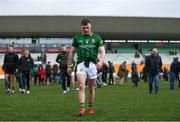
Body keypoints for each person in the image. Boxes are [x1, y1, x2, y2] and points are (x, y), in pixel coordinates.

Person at [67, 19, 105, 116]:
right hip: (81, 64)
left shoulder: (97, 38)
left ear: (90, 26)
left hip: (93, 65)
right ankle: (82, 108)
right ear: (81, 27)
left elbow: (102, 51)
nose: (86, 29)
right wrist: (69, 65)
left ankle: (90, 107)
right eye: (84, 28)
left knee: (91, 88)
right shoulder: (77, 37)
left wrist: (101, 61)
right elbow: (71, 52)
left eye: (87, 27)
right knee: (81, 86)